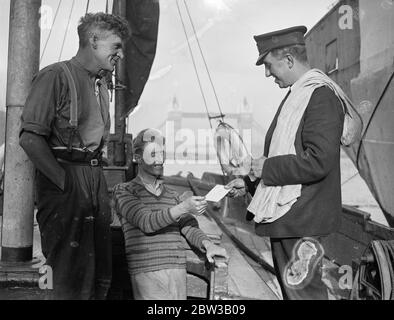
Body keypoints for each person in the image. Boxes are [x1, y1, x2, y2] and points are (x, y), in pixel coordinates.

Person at [225, 26, 347, 300]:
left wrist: (265, 169)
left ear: (289, 60)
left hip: (302, 220)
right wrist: (249, 183)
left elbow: (318, 160)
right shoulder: (300, 96)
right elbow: (291, 156)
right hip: (293, 218)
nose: (267, 74)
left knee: (304, 296)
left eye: (269, 65)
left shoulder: (320, 96)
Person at [19, 13, 131, 299]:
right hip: (66, 178)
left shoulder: (101, 85)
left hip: (94, 180)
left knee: (98, 272)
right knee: (65, 275)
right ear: (93, 41)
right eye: (116, 46)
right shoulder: (55, 76)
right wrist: (63, 183)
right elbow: (30, 138)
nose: (120, 54)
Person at [113, 128, 228, 300]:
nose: (160, 159)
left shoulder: (173, 196)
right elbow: (147, 222)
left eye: (162, 153)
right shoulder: (124, 190)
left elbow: (189, 227)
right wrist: (184, 206)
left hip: (178, 271)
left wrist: (208, 245)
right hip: (147, 272)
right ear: (137, 158)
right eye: (152, 154)